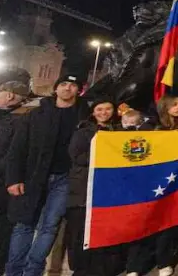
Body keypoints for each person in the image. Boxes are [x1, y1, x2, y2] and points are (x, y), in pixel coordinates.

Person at [5, 74, 88, 276]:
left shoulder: (84, 116)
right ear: (56, 88)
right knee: (24, 225)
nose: (68, 88)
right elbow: (17, 149)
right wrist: (14, 178)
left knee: (49, 227)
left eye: (73, 85)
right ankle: (13, 271)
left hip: (65, 179)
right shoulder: (36, 115)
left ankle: (32, 271)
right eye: (64, 84)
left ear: (79, 90)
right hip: (33, 177)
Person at [125, 95, 178, 276]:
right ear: (165, 106)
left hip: (172, 180)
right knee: (143, 221)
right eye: (174, 105)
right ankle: (134, 266)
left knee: (166, 222)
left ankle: (163, 262)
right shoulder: (150, 125)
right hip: (148, 180)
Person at [65, 99, 118, 276]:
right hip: (83, 190)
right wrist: (102, 155)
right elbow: (76, 156)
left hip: (107, 191)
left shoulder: (119, 131)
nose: (104, 113)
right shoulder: (83, 131)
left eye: (108, 108)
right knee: (80, 231)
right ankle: (80, 269)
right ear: (93, 112)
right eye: (99, 109)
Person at [0, 81, 31, 276]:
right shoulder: (2, 117)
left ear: (9, 96)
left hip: (0, 185)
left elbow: (12, 153)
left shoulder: (19, 120)